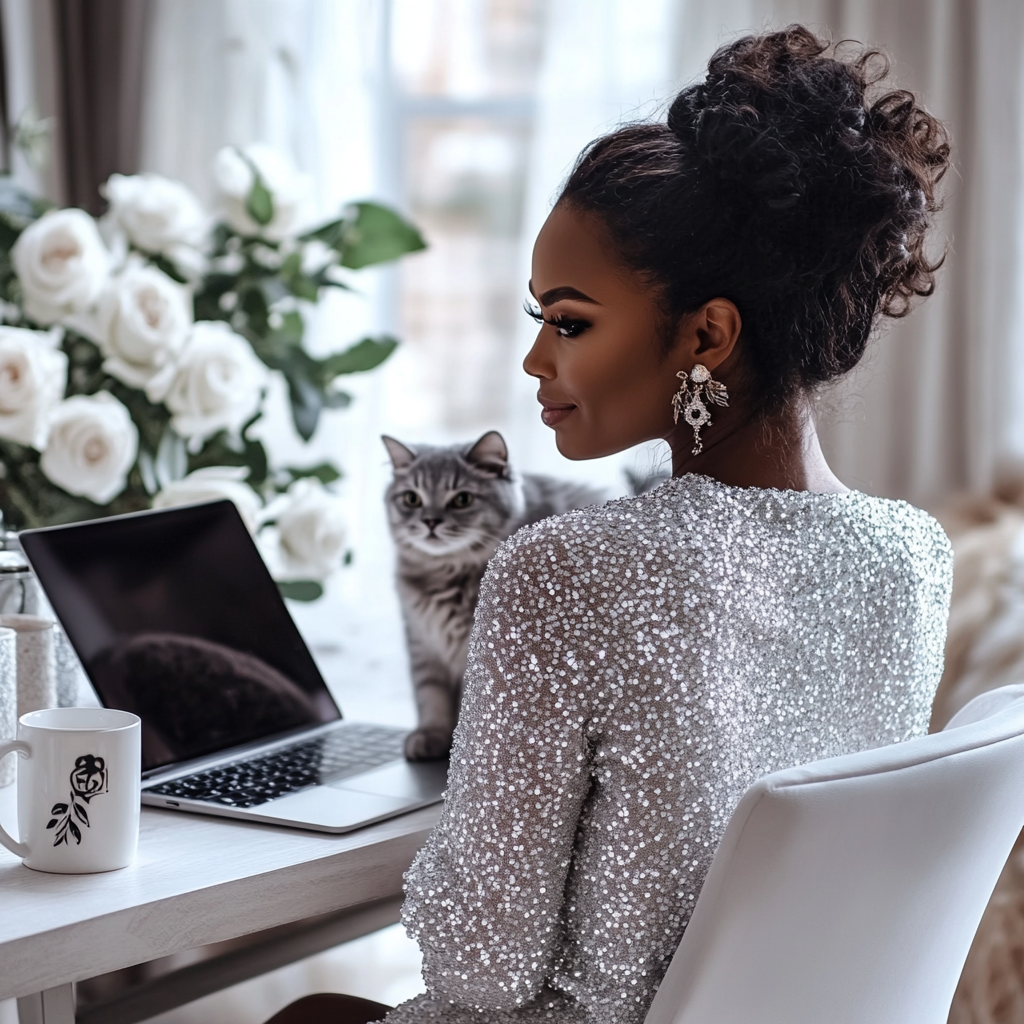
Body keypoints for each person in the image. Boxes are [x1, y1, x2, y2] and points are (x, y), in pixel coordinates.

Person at [266, 24, 953, 1024]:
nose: (535, 361)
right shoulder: (912, 555)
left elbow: (481, 970)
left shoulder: (568, 569)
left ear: (705, 334)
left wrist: (468, 833)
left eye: (570, 320)